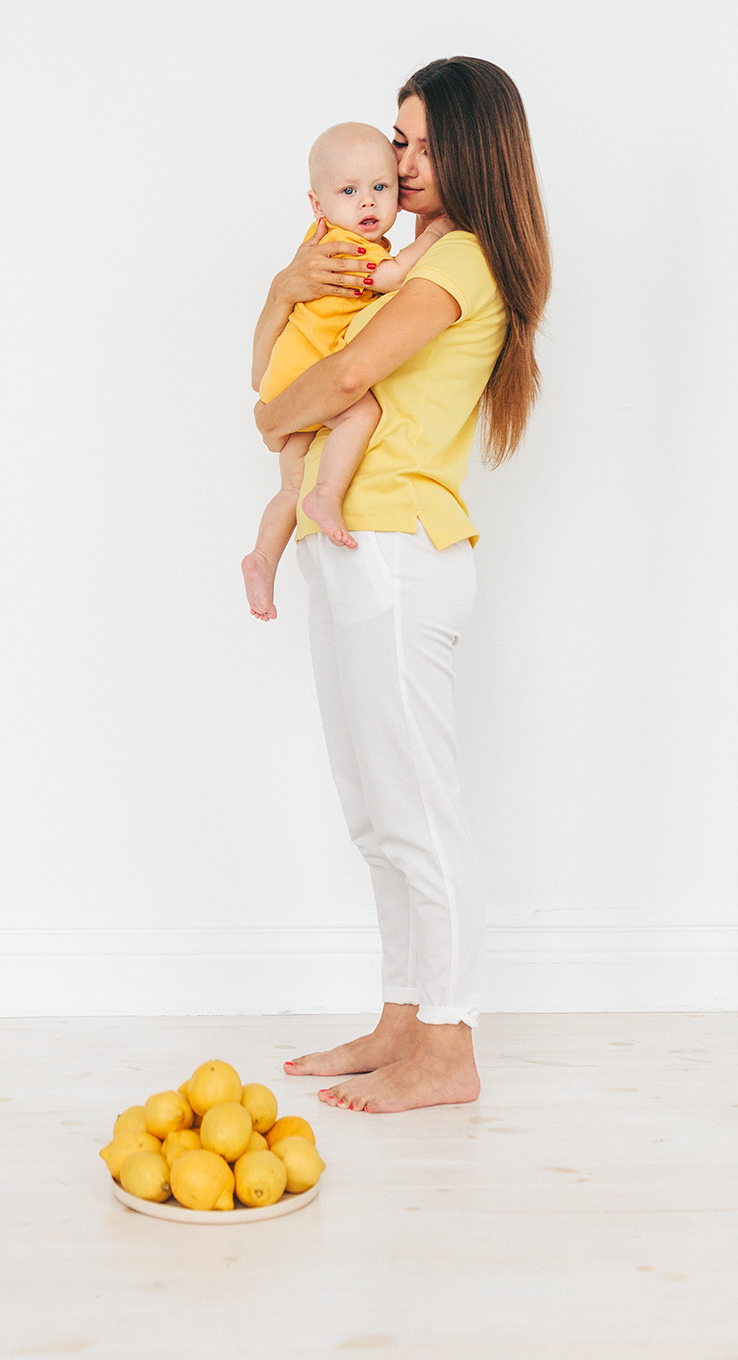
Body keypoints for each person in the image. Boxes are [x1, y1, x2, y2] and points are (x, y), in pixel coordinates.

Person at [252, 57, 551, 1113]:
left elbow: (338, 379)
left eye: (417, 144)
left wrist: (269, 421)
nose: (398, 160)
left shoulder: (459, 258)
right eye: (397, 138)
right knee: (374, 808)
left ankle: (450, 1044)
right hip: (350, 550)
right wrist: (286, 288)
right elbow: (297, 345)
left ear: (469, 150)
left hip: (399, 555)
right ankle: (401, 1018)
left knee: (420, 810)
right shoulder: (396, 250)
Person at [242, 121, 452, 621]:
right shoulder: (347, 250)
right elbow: (393, 275)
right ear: (319, 205)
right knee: (362, 413)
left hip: (287, 372)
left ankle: (262, 559)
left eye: (380, 188)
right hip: (308, 372)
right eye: (350, 191)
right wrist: (438, 235)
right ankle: (329, 495)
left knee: (287, 489)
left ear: (397, 197)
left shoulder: (314, 241)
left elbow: (258, 373)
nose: (367, 204)